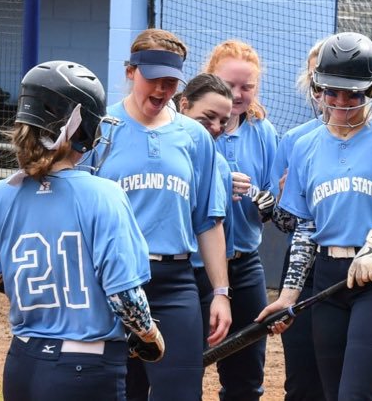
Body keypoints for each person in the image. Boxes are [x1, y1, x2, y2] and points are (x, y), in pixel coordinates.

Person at [0, 60, 161, 400]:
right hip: (86, 369)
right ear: (83, 129)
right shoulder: (103, 194)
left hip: (22, 363)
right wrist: (151, 335)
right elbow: (125, 298)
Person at [261, 32, 372, 400]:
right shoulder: (304, 144)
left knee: (355, 393)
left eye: (353, 93)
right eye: (331, 91)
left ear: (371, 90)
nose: (341, 101)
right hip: (326, 278)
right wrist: (289, 295)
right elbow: (306, 228)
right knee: (329, 392)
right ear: (317, 88)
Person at [84, 29, 232, 401]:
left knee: (181, 392)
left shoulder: (194, 137)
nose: (161, 89)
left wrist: (221, 292)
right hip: (111, 280)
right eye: (153, 78)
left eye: (170, 82)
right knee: (119, 391)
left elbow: (208, 220)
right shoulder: (100, 129)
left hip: (174, 282)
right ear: (131, 72)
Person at [194, 40, 279, 401]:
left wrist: (266, 204)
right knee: (183, 371)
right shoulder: (188, 129)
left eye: (248, 87)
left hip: (245, 265)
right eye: (230, 86)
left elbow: (274, 205)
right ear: (211, 78)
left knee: (246, 379)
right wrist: (218, 184)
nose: (239, 94)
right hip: (193, 268)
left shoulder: (264, 133)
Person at [264, 39, 328, 401]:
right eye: (319, 80)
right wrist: (289, 202)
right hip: (304, 267)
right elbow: (283, 222)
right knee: (303, 377)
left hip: (356, 264)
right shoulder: (295, 140)